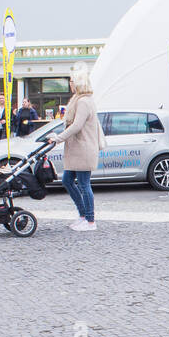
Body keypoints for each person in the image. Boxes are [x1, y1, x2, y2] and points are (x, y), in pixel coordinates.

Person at [49, 63, 103, 231]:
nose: (70, 84)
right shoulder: (79, 100)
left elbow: (76, 126)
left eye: (71, 81)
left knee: (84, 183)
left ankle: (90, 220)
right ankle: (83, 215)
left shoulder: (84, 102)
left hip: (84, 149)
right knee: (67, 180)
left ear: (78, 83)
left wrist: (58, 139)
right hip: (77, 149)